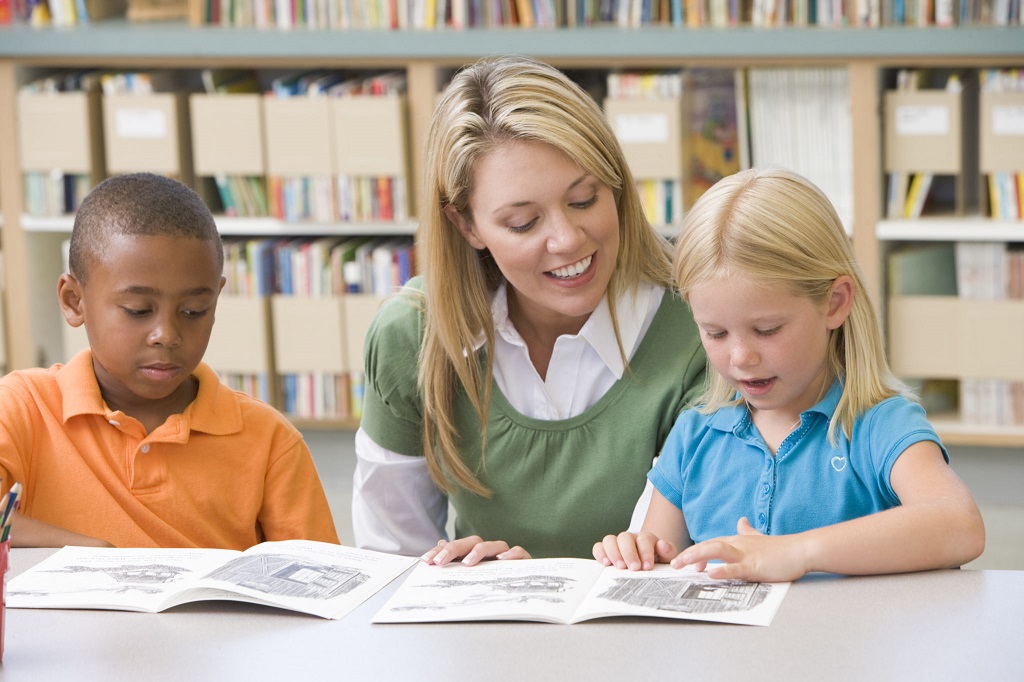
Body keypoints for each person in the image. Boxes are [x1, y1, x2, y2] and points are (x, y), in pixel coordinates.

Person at [352, 55, 707, 563]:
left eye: (585, 199)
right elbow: (391, 559)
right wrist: (462, 582)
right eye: (522, 223)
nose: (567, 240)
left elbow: (688, 553)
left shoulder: (703, 322)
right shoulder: (412, 335)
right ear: (467, 226)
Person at [593, 167, 986, 581]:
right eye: (716, 333)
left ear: (834, 303)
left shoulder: (878, 425)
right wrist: (636, 549)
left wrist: (798, 552)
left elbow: (960, 525)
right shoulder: (694, 436)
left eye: (767, 330)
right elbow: (659, 561)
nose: (741, 357)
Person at [0, 172, 339, 549]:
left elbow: (322, 583)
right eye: (138, 309)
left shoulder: (269, 441)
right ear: (73, 301)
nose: (167, 334)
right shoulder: (22, 409)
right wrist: (92, 555)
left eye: (194, 311)